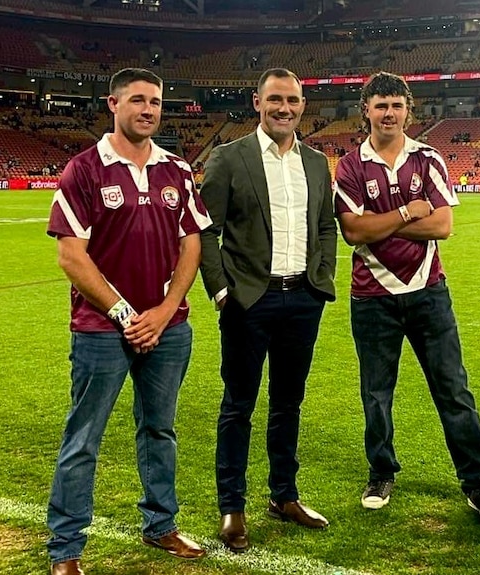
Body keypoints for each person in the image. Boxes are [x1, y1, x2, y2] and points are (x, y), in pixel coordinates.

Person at [45, 68, 211, 575]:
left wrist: (162, 312)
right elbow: (71, 256)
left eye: (156, 102)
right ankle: (66, 548)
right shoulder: (85, 168)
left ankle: (161, 525)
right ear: (113, 104)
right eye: (137, 100)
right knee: (84, 438)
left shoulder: (177, 170)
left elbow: (193, 243)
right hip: (101, 331)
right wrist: (124, 313)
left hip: (169, 328)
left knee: (160, 429)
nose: (148, 109)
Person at [334, 71, 480, 523]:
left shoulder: (428, 158)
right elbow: (353, 231)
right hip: (372, 297)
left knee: (453, 389)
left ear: (408, 110)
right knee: (376, 394)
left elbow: (442, 226)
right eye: (380, 105)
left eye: (395, 104)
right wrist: (408, 210)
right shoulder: (351, 165)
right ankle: (380, 472)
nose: (388, 113)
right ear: (366, 111)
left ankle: (478, 484)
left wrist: (384, 220)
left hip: (429, 293)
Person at [199, 68, 337, 553]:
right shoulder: (227, 158)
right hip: (248, 302)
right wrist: (221, 292)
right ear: (257, 102)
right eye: (275, 99)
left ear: (303, 105)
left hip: (302, 299)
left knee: (288, 404)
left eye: (293, 100)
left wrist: (322, 281)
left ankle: (284, 496)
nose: (285, 108)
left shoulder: (318, 163)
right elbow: (205, 231)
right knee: (238, 405)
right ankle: (231, 506)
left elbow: (326, 227)